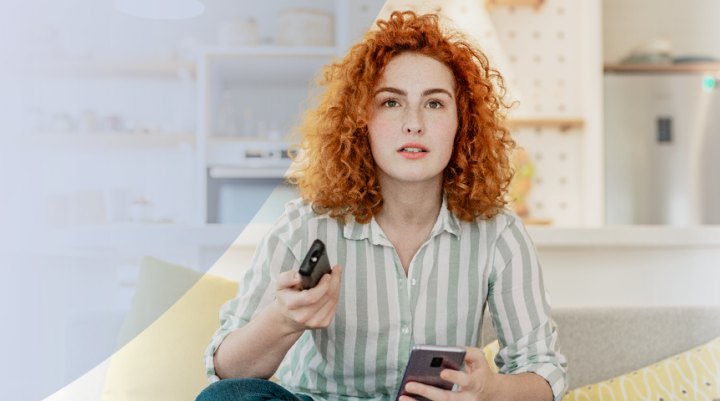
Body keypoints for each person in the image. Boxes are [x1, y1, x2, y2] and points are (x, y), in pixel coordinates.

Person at [197, 10, 568, 401]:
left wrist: (490, 389)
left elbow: (544, 374)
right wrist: (282, 319)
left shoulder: (499, 233)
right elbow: (225, 373)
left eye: (435, 104)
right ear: (361, 121)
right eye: (391, 102)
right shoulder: (303, 227)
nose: (413, 123)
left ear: (463, 123)